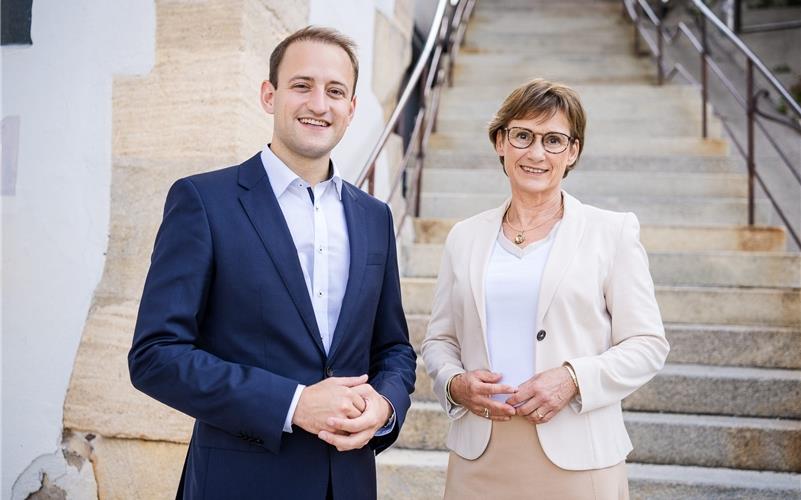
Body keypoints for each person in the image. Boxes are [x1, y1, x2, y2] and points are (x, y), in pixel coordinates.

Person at [128, 26, 416, 500]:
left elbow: (394, 349)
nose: (319, 104)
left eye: (335, 91)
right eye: (302, 85)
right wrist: (294, 403)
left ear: (351, 109)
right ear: (269, 94)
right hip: (239, 483)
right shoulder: (203, 201)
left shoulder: (375, 217)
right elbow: (155, 355)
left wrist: (384, 405)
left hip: (347, 482)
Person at [421, 78, 669, 500]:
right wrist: (455, 384)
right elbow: (439, 340)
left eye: (554, 140)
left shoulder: (612, 232)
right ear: (501, 142)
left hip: (579, 459)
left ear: (572, 152)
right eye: (523, 136)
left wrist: (574, 379)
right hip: (478, 459)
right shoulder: (464, 236)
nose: (536, 153)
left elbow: (647, 344)